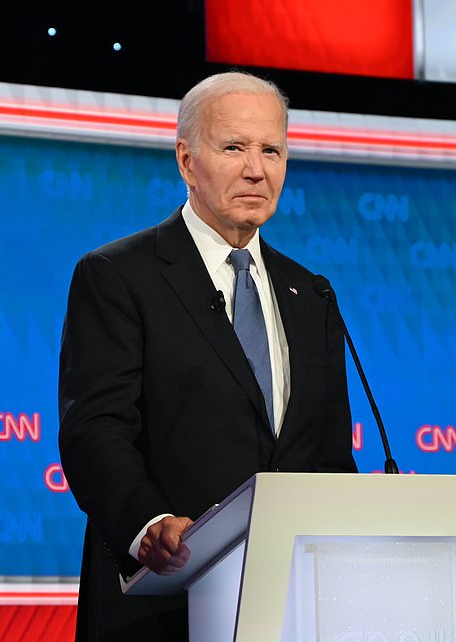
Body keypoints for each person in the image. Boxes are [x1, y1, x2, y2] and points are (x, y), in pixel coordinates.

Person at [58, 71, 358, 642]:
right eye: (234, 148)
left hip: (290, 609)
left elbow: (328, 457)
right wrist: (148, 525)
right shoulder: (119, 276)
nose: (257, 169)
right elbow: (95, 428)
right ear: (186, 160)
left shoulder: (311, 293)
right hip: (161, 604)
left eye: (272, 149)